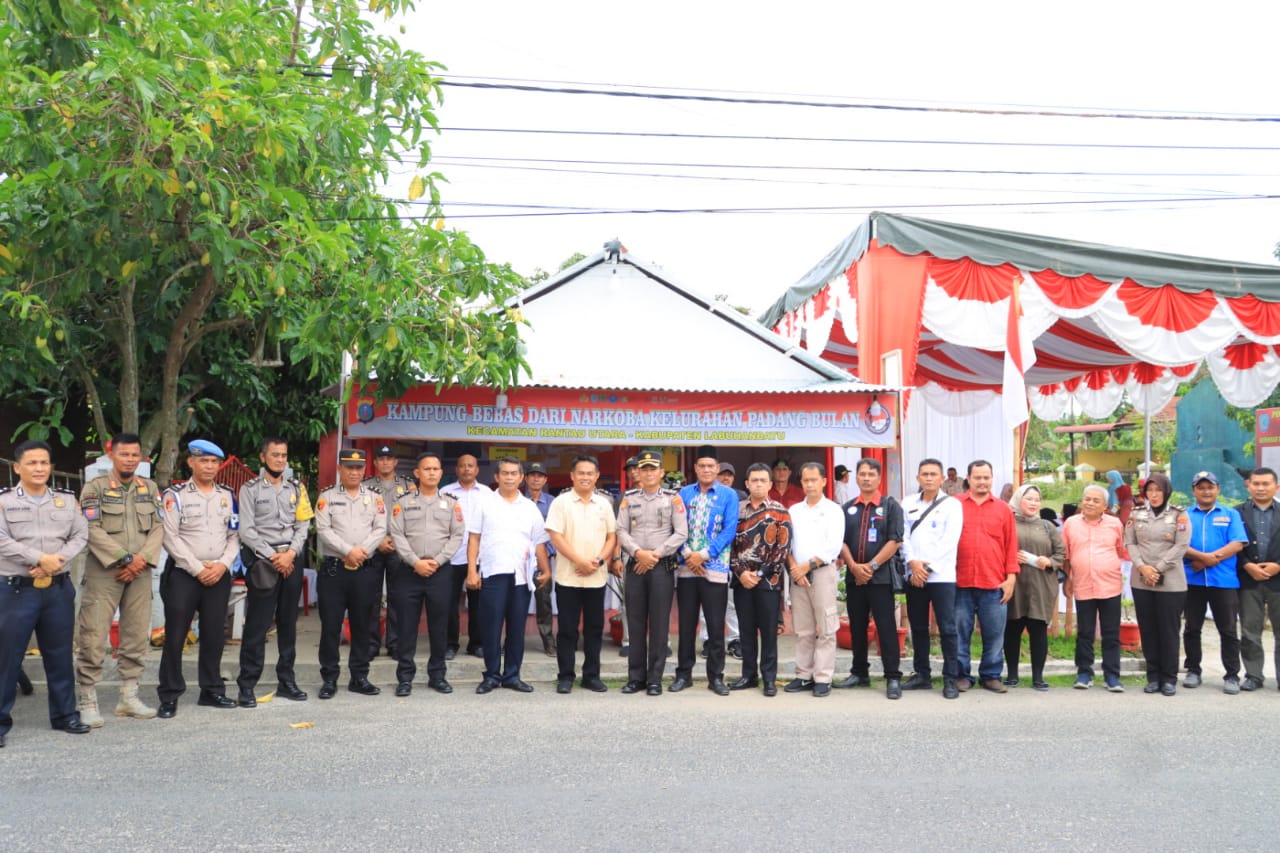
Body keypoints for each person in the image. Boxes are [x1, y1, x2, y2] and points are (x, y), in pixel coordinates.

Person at [0, 440, 91, 747]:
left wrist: (56, 562)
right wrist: (39, 559)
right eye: (31, 463)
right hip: (16, 590)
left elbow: (81, 534)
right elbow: (1, 540)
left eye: (44, 463)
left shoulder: (66, 500)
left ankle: (65, 714)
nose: (39, 468)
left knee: (59, 654)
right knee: (7, 657)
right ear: (17, 468)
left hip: (57, 589)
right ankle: (0, 721)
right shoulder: (3, 501)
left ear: (50, 467)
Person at [75, 433, 164, 725]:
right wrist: (125, 558)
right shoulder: (95, 487)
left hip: (140, 571)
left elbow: (159, 528)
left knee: (137, 634)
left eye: (134, 455)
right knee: (93, 635)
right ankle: (87, 699)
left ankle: (129, 696)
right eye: (123, 454)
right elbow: (90, 527)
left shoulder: (149, 488)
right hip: (105, 571)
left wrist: (140, 561)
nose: (129, 460)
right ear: (111, 455)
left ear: (141, 458)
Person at [156, 439, 240, 718]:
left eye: (214, 462)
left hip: (218, 574)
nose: (209, 466)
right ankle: (169, 694)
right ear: (191, 462)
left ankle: (212, 690)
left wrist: (222, 565)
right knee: (176, 635)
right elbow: (170, 536)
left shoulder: (227, 496)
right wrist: (197, 569)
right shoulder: (175, 496)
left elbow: (234, 535)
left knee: (215, 634)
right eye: (203, 460)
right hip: (184, 575)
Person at [235, 437, 313, 706]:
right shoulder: (250, 489)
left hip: (291, 559)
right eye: (275, 455)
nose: (280, 459)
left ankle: (287, 681)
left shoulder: (297, 488)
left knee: (288, 623)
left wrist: (290, 553)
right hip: (265, 562)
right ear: (263, 457)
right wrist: (274, 556)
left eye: (284, 455)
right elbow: (246, 530)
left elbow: (303, 525)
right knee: (257, 624)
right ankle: (247, 684)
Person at [467, 457, 551, 694]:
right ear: (496, 477)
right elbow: (474, 538)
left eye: (514, 473)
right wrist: (472, 571)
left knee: (516, 628)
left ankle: (512, 675)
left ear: (521, 477)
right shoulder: (485, 503)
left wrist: (546, 570)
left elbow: (539, 543)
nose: (510, 477)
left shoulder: (530, 507)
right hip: (493, 573)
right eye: (505, 473)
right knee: (491, 627)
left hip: (521, 576)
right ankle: (491, 675)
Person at [388, 452, 466, 696]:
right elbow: (397, 534)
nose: (432, 473)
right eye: (427, 469)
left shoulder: (452, 504)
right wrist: (414, 562)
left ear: (441, 473)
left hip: (440, 572)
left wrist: (438, 560)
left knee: (439, 626)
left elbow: (457, 535)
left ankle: (437, 676)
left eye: (436, 469)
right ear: (417, 473)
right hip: (408, 572)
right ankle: (405, 678)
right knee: (406, 627)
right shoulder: (403, 503)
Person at [314, 448, 387, 699]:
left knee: (363, 625)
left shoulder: (375, 498)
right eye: (349, 468)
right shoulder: (327, 497)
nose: (354, 472)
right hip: (334, 571)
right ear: (340, 470)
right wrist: (348, 550)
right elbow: (323, 530)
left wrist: (362, 552)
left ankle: (359, 676)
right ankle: (329, 678)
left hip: (364, 570)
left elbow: (380, 528)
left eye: (358, 468)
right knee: (331, 626)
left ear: (364, 470)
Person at [616, 450, 688, 695]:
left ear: (661, 473)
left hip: (661, 566)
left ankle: (655, 679)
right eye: (643, 469)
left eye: (652, 469)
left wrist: (653, 554)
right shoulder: (629, 498)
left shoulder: (672, 499)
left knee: (659, 624)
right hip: (636, 564)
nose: (647, 473)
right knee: (635, 622)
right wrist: (638, 553)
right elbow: (620, 531)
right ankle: (636, 678)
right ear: (638, 472)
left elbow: (681, 533)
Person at [545, 455, 618, 694]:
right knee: (567, 629)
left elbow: (612, 537)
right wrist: (580, 561)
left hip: (596, 577)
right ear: (572, 476)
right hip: (569, 576)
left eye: (590, 473)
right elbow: (555, 536)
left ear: (596, 476)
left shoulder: (604, 504)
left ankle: (591, 676)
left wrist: (597, 561)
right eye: (581, 473)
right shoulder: (561, 502)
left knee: (594, 629)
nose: (585, 477)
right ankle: (565, 676)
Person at [834, 459, 905, 699]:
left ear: (879, 478)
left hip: (881, 578)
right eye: (862, 474)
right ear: (856, 478)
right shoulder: (847, 508)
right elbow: (841, 541)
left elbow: (895, 541)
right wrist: (853, 566)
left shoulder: (890, 506)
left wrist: (871, 566)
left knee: (886, 628)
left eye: (870, 474)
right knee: (857, 627)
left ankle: (893, 677)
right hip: (855, 578)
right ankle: (859, 672)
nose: (865, 478)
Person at [673, 445, 739, 696]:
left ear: (717, 468)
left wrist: (704, 554)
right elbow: (676, 527)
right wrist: (688, 554)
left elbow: (729, 530)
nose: (707, 470)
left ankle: (716, 676)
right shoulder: (683, 494)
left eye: (711, 466)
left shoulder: (728, 495)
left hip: (715, 568)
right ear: (695, 468)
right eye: (702, 466)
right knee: (687, 625)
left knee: (714, 625)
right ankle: (684, 675)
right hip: (687, 567)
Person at [898, 458, 964, 699]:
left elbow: (950, 540)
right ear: (917, 478)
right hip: (913, 574)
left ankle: (950, 678)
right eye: (924, 474)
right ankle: (922, 674)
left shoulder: (952, 505)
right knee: (918, 627)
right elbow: (902, 536)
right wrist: (912, 563)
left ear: (942, 478)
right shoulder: (908, 503)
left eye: (933, 474)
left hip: (942, 576)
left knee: (947, 628)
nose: (928, 478)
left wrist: (927, 568)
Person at [953, 460, 1019, 693]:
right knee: (960, 632)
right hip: (960, 581)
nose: (982, 482)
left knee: (994, 633)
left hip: (994, 582)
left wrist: (1011, 577)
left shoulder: (1003, 509)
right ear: (968, 479)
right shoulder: (954, 505)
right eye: (977, 477)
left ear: (992, 479)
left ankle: (991, 675)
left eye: (986, 478)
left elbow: (1011, 545)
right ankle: (962, 675)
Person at [728, 463, 792, 696]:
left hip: (768, 582)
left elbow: (782, 549)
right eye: (754, 480)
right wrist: (741, 573)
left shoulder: (780, 511)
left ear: (770, 484)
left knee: (768, 632)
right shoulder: (735, 510)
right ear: (746, 484)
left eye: (763, 480)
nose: (758, 484)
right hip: (741, 580)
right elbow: (729, 546)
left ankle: (769, 679)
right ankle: (748, 675)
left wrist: (759, 574)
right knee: (745, 631)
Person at [1182, 471, 1247, 693]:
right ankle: (1193, 670)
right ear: (1194, 491)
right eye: (1201, 487)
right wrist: (1201, 558)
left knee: (1228, 630)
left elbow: (1238, 543)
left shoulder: (1230, 514)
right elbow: (1179, 544)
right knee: (1192, 628)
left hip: (1224, 581)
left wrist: (1211, 559)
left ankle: (1231, 675)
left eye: (1210, 486)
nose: (1206, 491)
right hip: (1193, 581)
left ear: (1218, 489)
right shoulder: (1185, 516)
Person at [1125, 473, 1190, 696]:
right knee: (1149, 630)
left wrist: (1158, 568)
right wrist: (1143, 567)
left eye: (1158, 490)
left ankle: (1169, 678)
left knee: (1169, 631)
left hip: (1170, 581)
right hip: (1142, 580)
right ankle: (1153, 677)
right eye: (1149, 491)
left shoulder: (1179, 515)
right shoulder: (1136, 513)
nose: (1153, 495)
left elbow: (1181, 546)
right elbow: (1130, 542)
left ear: (1166, 492)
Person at [785, 462, 844, 697]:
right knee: (803, 629)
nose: (809, 484)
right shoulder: (794, 511)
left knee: (826, 627)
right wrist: (794, 568)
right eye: (805, 480)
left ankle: (823, 677)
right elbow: (786, 543)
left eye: (813, 480)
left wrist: (806, 566)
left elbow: (833, 546)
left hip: (822, 573)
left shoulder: (833, 510)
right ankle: (803, 675)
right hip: (797, 575)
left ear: (824, 481)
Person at [1062, 484, 1129, 691]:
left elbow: (1120, 550)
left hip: (1110, 584)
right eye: (1087, 499)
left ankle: (1112, 675)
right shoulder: (1071, 524)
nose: (1090, 503)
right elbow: (1066, 554)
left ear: (1105, 506)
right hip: (1083, 584)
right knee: (1085, 631)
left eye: (1095, 500)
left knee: (1111, 633)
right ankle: (1084, 672)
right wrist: (1067, 578)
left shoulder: (1115, 524)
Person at [1003, 484, 1065, 691]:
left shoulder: (1047, 526)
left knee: (1038, 631)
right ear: (1019, 499)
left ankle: (1038, 677)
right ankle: (1012, 675)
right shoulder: (1008, 522)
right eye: (1029, 498)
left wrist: (1048, 561)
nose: (1033, 503)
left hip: (1041, 586)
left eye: (1037, 499)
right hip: (1015, 585)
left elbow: (1060, 554)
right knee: (1012, 630)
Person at [362, 444, 414, 660]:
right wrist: (379, 539)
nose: (385, 462)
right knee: (370, 597)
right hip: (373, 548)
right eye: (381, 459)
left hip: (398, 548)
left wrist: (393, 539)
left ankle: (394, 643)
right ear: (375, 463)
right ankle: (371, 644)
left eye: (389, 459)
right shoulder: (366, 486)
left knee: (397, 597)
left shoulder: (408, 485)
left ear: (395, 462)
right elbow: (362, 517)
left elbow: (411, 517)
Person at [441, 454, 491, 660]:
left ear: (477, 470)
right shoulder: (445, 492)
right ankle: (450, 644)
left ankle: (476, 643)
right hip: (451, 556)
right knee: (449, 603)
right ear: (457, 469)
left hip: (480, 557)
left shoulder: (488, 494)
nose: (466, 469)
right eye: (462, 466)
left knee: (479, 604)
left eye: (470, 466)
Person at [1237, 467, 1280, 691]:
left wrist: (1278, 566)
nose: (1261, 488)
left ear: (1276, 487)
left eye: (1266, 484)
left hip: (1278, 581)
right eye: (1256, 484)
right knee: (1250, 631)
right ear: (1249, 486)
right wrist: (1247, 565)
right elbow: (1233, 545)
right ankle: (1254, 675)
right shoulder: (1237, 513)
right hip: (1248, 580)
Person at [706, 463, 743, 660]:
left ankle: (735, 639)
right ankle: (706, 639)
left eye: (729, 475)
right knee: (707, 602)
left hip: (732, 557)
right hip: (709, 556)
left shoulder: (740, 496)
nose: (726, 478)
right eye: (722, 475)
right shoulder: (706, 495)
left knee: (730, 601)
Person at [524, 461, 556, 657]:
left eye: (540, 475)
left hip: (544, 560)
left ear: (545, 479)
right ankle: (511, 640)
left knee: (544, 603)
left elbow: (556, 531)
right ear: (525, 478)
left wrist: (546, 551)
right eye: (532, 475)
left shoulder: (553, 502)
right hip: (520, 560)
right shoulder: (517, 499)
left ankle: (548, 642)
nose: (536, 478)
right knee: (516, 601)